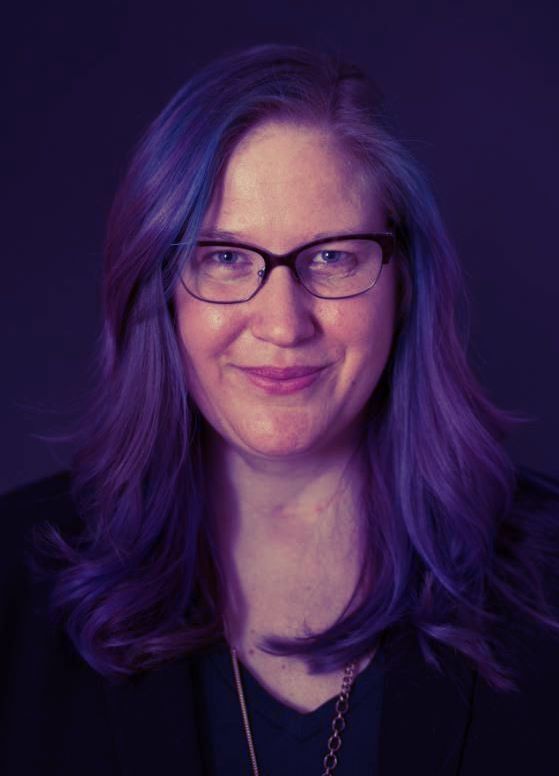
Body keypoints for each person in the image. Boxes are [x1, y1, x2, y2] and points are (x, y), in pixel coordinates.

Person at [1, 43, 559, 776]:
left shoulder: (549, 578)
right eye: (225, 258)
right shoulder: (11, 579)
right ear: (158, 287)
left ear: (404, 285)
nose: (282, 324)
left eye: (331, 257)